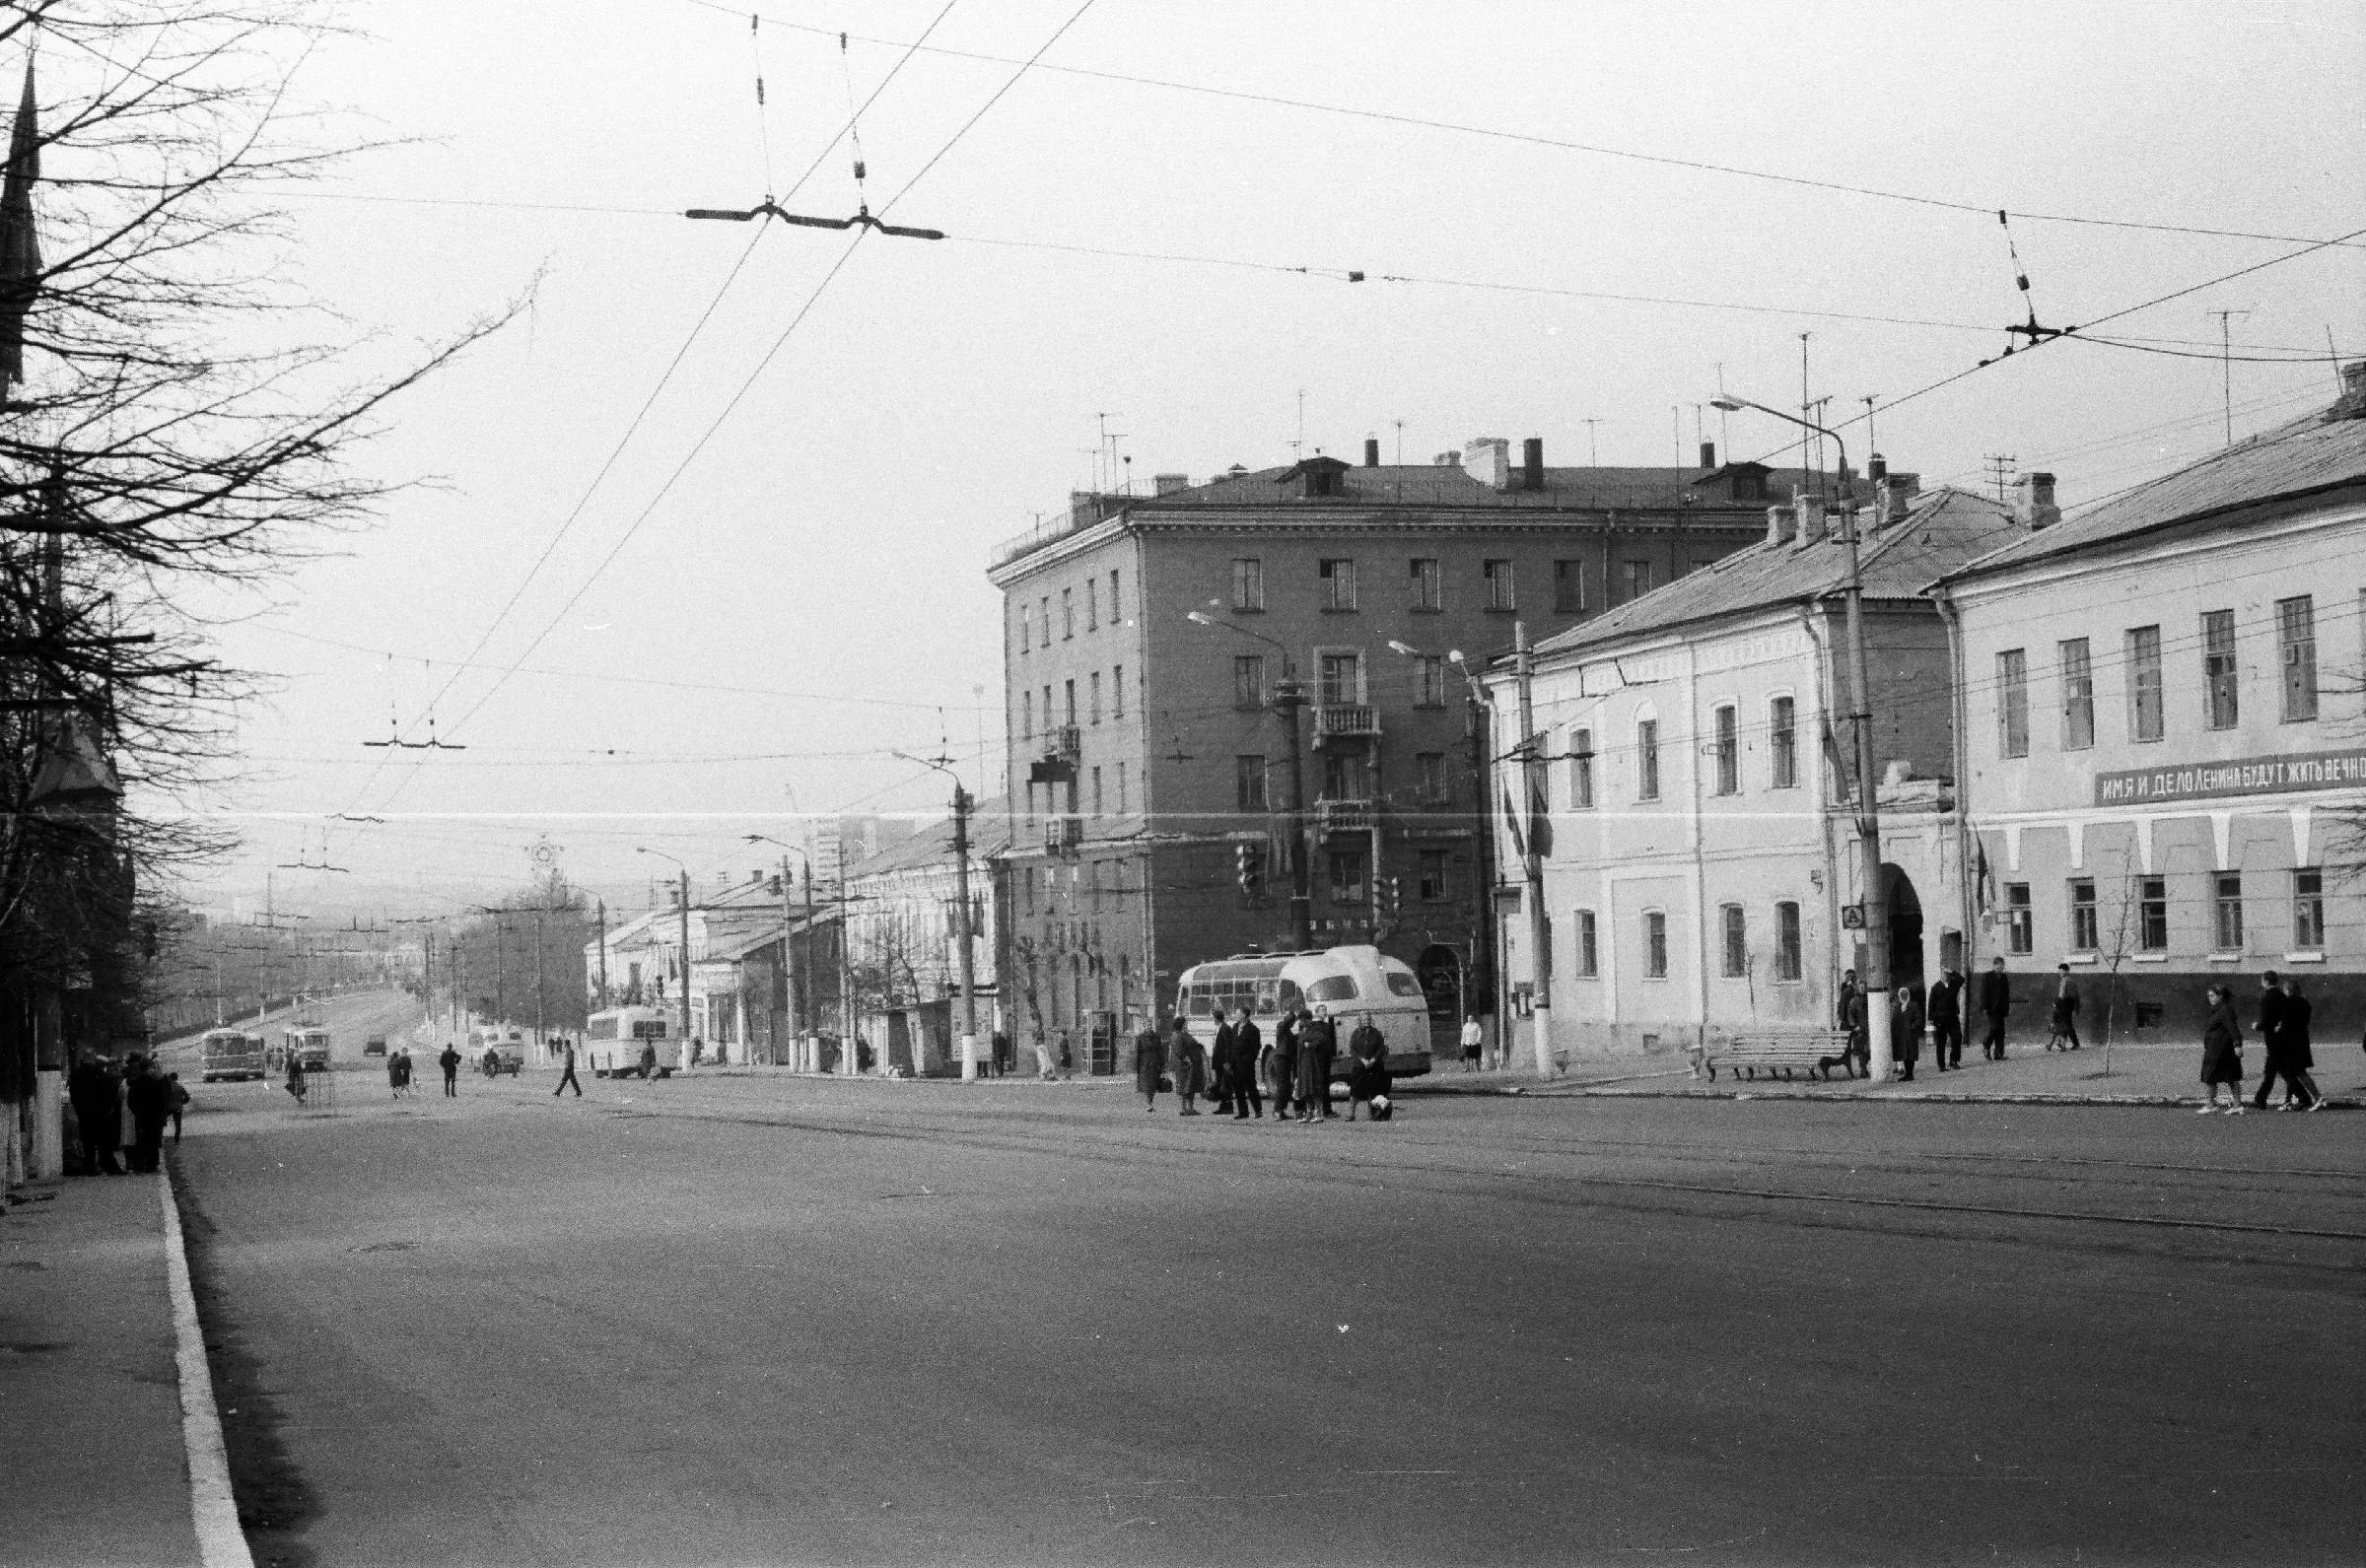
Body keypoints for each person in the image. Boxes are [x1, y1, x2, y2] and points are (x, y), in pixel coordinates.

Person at [68, 1055, 122, 1176]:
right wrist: (108, 1109)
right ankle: (108, 1165)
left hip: (84, 1114)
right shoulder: (100, 1074)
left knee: (88, 1142)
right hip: (101, 1113)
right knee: (104, 1141)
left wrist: (79, 1109)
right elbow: (108, 1093)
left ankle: (90, 1167)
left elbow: (73, 1094)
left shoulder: (76, 1074)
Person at [2276, 979, 2325, 1111]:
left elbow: (2284, 1023)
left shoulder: (2286, 1003)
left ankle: (2318, 1097)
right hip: (2302, 1040)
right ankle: (2288, 1101)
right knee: (2293, 1072)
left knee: (2298, 1072)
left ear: (2287, 990)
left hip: (2290, 1042)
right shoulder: (2305, 1003)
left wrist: (2278, 1028)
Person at [2198, 986, 2246, 1113]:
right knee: (2216, 1077)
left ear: (2220, 996)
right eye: (2209, 996)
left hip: (2222, 1050)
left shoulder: (2225, 1010)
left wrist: (2237, 1045)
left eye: (2213, 995)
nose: (2210, 998)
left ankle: (2214, 1105)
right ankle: (2215, 1104)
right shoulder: (2217, 1010)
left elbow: (2233, 1029)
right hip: (2216, 1049)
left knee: (2216, 1077)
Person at [126, 1061, 172, 1173]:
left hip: (140, 1117)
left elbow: (130, 1101)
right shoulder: (155, 1082)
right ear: (148, 1069)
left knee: (140, 1141)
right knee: (153, 1142)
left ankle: (139, 1165)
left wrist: (137, 1112)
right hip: (153, 1117)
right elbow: (162, 1099)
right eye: (152, 1068)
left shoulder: (135, 1083)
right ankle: (151, 1166)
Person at [1297, 1006, 1338, 1122]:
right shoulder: (1303, 1029)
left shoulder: (1314, 1029)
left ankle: (1318, 1113)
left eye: (1302, 1019)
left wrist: (1310, 1044)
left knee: (1315, 1088)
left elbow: (1321, 1039)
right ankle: (1309, 1113)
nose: (1300, 1022)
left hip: (1313, 1063)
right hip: (1304, 1063)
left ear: (1306, 1019)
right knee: (1306, 1089)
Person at [1346, 1013, 1389, 1120]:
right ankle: (1351, 1114)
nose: (1367, 1021)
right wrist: (1363, 1060)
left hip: (1374, 1066)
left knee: (1373, 1091)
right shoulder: (1355, 1033)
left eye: (1368, 1019)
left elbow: (1381, 1048)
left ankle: (1371, 1114)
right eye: (1364, 1019)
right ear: (1360, 1020)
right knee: (1355, 1091)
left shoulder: (1376, 1033)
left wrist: (1374, 1059)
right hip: (1359, 1066)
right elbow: (1352, 1049)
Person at [1227, 1006, 1264, 1120]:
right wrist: (1229, 1061)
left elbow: (1256, 1047)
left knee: (1251, 1087)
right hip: (1235, 1063)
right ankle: (1243, 1111)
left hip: (1246, 1064)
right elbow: (1231, 1045)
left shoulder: (1253, 1029)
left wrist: (1248, 1059)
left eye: (1238, 1013)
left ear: (1244, 1015)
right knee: (1238, 1088)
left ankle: (1258, 1110)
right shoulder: (1235, 1027)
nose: (1236, 1015)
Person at [1927, 964, 1966, 1072]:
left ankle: (1954, 1061)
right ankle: (1941, 1065)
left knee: (1957, 1037)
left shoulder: (1954, 984)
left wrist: (1952, 971)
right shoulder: (1936, 987)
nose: (1945, 975)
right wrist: (1930, 1020)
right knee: (1941, 1042)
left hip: (1953, 1016)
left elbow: (1962, 979)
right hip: (1939, 1018)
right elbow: (1931, 1004)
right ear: (1941, 974)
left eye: (1947, 974)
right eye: (1944, 973)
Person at [1268, 1005, 1300, 1123]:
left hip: (1287, 1060)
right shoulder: (1281, 1027)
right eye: (1292, 1021)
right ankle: (1276, 1110)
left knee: (1287, 1086)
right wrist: (1294, 1015)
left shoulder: (1289, 1033)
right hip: (1280, 1058)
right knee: (1282, 1085)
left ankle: (1281, 1110)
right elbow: (1286, 1023)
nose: (1293, 1023)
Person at [1978, 957, 2012, 1061]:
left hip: (2001, 1008)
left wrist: (2007, 1008)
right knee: (1995, 1028)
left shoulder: (2004, 977)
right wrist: (1984, 1007)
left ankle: (1998, 1054)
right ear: (1994, 965)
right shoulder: (1987, 976)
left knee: (2001, 1031)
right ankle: (1986, 1044)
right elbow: (1983, 993)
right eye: (1998, 965)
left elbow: (2006, 993)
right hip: (1991, 1008)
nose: (2000, 967)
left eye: (2002, 965)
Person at [1170, 1016, 1205, 1116]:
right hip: (1184, 1066)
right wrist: (1186, 1058)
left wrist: (1199, 1046)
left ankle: (1191, 1108)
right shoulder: (1176, 1035)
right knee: (1184, 1086)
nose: (1187, 1024)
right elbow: (1178, 1050)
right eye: (1185, 1023)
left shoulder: (1185, 1034)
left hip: (1192, 1064)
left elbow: (1192, 1044)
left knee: (1191, 1086)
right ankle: (1183, 1108)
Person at [1892, 985, 1923, 1082]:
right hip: (1900, 1035)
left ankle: (1910, 1074)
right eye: (1902, 994)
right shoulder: (1897, 1006)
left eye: (1905, 994)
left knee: (1911, 1054)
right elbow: (1894, 1019)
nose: (1904, 996)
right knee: (1904, 1054)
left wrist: (1911, 1027)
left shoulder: (1913, 1005)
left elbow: (1919, 1019)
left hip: (1910, 1035)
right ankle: (1907, 1074)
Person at [2047, 965, 2083, 1051]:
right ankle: (2064, 1044)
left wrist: (2056, 1003)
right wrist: (2077, 1007)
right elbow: (2077, 995)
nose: (2059, 973)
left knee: (2064, 1024)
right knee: (2067, 1023)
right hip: (2071, 1003)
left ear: (2066, 971)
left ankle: (2074, 1044)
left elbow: (2061, 995)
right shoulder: (2073, 981)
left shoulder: (2064, 980)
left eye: (2061, 971)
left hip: (2063, 1003)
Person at [1133, 1019, 1165, 1113]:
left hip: (1155, 1063)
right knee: (1147, 1085)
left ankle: (1151, 1102)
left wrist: (1162, 1064)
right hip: (1145, 1064)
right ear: (1144, 1027)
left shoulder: (1157, 1037)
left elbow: (1160, 1050)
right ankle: (1149, 1104)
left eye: (1150, 1025)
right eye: (1147, 1025)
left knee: (1153, 1085)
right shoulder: (1140, 1038)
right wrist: (1137, 1066)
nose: (1149, 1027)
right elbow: (1138, 1052)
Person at [1209, 1011, 1237, 1116]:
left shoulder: (1225, 1029)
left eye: (1214, 1018)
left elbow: (1228, 1047)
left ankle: (1228, 1106)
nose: (1213, 1020)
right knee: (1221, 1083)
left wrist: (1227, 1062)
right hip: (1219, 1062)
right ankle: (1223, 1106)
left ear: (1216, 1018)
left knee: (1226, 1083)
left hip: (1223, 1062)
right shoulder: (1219, 1028)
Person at [167, 1072, 189, 1144]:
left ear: (170, 1078)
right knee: (178, 1124)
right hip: (178, 1107)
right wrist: (182, 1102)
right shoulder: (180, 1087)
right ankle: (176, 1140)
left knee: (161, 1121)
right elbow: (187, 1097)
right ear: (176, 1078)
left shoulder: (167, 1087)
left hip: (168, 1107)